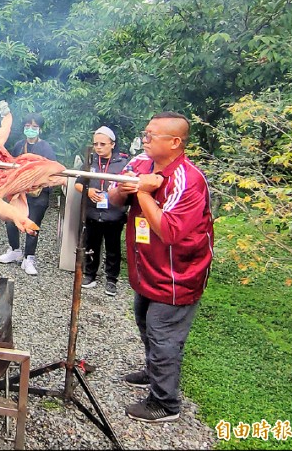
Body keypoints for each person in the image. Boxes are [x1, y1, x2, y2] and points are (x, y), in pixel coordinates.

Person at [108, 111, 214, 423]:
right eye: (145, 132)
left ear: (176, 142)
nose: (145, 138)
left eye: (153, 134)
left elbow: (168, 231)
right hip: (147, 269)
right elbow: (113, 200)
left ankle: (165, 403)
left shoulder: (188, 180)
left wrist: (143, 192)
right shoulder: (140, 164)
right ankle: (154, 371)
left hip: (178, 275)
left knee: (163, 335)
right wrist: (124, 189)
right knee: (145, 322)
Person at [0, 112, 57, 276]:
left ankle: (29, 257)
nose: (31, 129)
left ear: (40, 129)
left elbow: (52, 170)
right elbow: (11, 166)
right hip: (19, 191)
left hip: (38, 194)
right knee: (10, 220)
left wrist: (40, 184)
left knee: (32, 224)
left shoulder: (46, 148)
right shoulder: (18, 145)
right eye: (28, 126)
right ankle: (15, 249)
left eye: (34, 127)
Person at [74, 126, 129, 295]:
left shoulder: (123, 163)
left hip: (114, 214)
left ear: (112, 144)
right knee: (92, 245)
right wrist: (88, 191)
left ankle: (111, 280)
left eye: (103, 144)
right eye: (96, 144)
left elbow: (129, 186)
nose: (98, 147)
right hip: (92, 213)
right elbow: (78, 183)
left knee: (113, 248)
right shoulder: (90, 161)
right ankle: (90, 274)